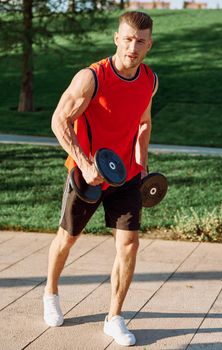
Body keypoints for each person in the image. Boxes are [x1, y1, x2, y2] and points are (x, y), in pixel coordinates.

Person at [43, 11, 158, 347]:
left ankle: (115, 317)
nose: (132, 47)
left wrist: (143, 164)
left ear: (149, 44)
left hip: (127, 176)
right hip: (88, 173)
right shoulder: (92, 77)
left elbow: (144, 123)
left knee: (129, 245)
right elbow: (59, 121)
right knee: (67, 238)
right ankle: (50, 291)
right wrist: (84, 162)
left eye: (140, 41)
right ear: (116, 38)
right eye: (127, 38)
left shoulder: (149, 80)